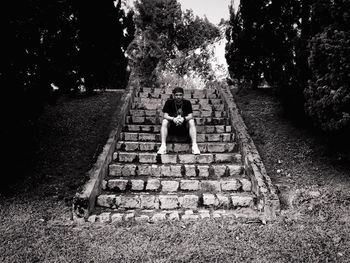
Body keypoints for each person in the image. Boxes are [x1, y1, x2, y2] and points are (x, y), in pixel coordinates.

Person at [157, 87, 200, 155]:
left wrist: (183, 119)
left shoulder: (187, 102)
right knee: (165, 121)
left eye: (180, 95)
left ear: (183, 95)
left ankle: (194, 146)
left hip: (183, 126)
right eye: (176, 95)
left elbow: (190, 116)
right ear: (174, 95)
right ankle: (163, 146)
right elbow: (165, 115)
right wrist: (173, 119)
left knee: (191, 121)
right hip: (172, 126)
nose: (178, 97)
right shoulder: (169, 102)